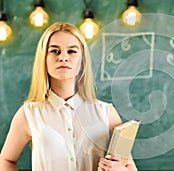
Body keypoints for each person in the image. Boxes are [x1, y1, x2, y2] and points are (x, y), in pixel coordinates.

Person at [0, 22, 138, 171]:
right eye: (54, 51)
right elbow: (6, 160)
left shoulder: (107, 113)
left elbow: (129, 166)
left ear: (82, 62)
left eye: (72, 51)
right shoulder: (28, 114)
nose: (63, 57)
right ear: (44, 59)